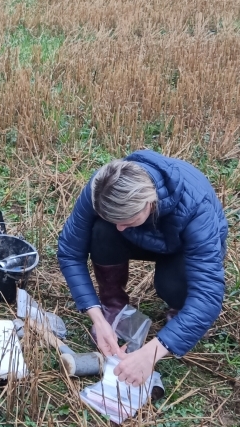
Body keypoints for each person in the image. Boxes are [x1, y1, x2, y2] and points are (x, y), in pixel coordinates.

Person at [57, 150, 227, 387]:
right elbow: (70, 252)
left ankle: (180, 314)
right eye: (116, 219)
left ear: (149, 202)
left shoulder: (197, 206)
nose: (119, 227)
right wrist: (96, 316)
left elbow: (208, 295)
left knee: (172, 286)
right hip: (139, 237)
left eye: (127, 219)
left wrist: (152, 353)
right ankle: (112, 307)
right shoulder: (103, 186)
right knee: (102, 231)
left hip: (182, 248)